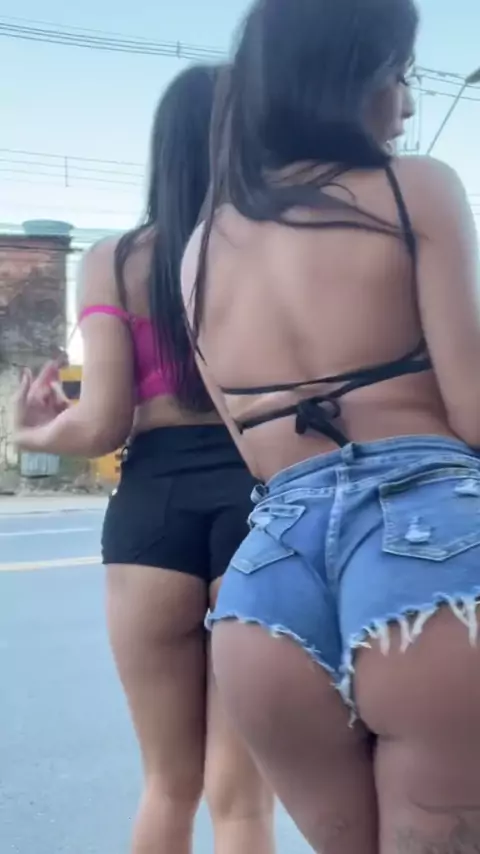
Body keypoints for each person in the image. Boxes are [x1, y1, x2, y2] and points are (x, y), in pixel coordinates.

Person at [179, 2, 480, 853]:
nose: (408, 103)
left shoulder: (202, 247)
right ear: (349, 77)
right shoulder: (415, 188)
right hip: (431, 559)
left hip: (265, 594)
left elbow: (254, 453)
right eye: (399, 74)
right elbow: (473, 411)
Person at [14, 64, 274, 854]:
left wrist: (31, 435)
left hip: (152, 509)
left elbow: (101, 425)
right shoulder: (274, 249)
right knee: (242, 803)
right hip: (259, 505)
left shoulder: (114, 259)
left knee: (167, 784)